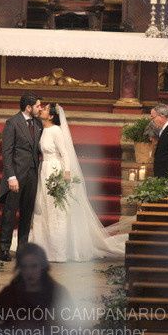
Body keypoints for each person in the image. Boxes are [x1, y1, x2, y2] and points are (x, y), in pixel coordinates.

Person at [29, 103, 126, 262]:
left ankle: (58, 251)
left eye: (45, 109)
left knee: (56, 210)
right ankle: (44, 248)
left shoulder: (56, 130)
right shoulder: (43, 129)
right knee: (43, 207)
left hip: (54, 171)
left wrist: (66, 172)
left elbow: (65, 153)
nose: (41, 110)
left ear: (52, 116)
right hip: (44, 170)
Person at [0, 92, 43, 262]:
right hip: (16, 175)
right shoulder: (12, 123)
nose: (40, 108)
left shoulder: (37, 123)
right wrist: (11, 176)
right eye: (38, 106)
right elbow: (7, 152)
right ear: (28, 107)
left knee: (27, 213)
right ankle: (4, 249)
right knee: (10, 213)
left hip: (32, 174)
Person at [0, 243, 72, 329]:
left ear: (42, 266)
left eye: (34, 266)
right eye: (24, 267)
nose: (29, 272)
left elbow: (71, 328)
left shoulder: (58, 293)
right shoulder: (8, 295)